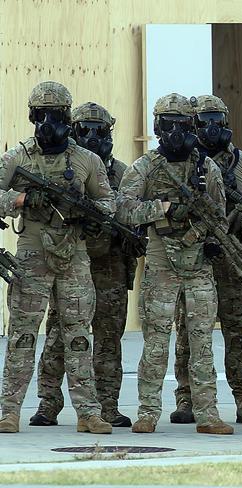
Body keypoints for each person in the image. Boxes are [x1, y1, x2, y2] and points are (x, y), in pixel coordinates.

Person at [0, 81, 115, 434]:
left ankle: (89, 412)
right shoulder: (17, 158)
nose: (48, 122)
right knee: (22, 335)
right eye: (41, 115)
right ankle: (8, 411)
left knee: (79, 336)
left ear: (68, 116)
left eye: (56, 115)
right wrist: (22, 201)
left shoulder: (87, 160)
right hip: (32, 254)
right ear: (33, 116)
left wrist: (84, 210)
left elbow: (109, 205)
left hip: (74, 255)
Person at [117, 93, 232, 435]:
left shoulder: (206, 168)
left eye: (182, 125)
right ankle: (148, 412)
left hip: (197, 264)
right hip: (161, 261)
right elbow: (123, 209)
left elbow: (220, 216)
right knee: (155, 342)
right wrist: (163, 208)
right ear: (157, 127)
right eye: (169, 126)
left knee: (201, 342)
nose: (176, 132)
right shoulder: (145, 167)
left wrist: (203, 234)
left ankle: (208, 413)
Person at [29, 102, 136, 428]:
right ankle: (48, 403)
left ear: (110, 134)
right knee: (59, 335)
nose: (91, 137)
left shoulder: (122, 173)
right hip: (71, 260)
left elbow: (131, 213)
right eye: (84, 130)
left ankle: (107, 405)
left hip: (109, 265)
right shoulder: (63, 166)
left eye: (99, 131)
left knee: (107, 338)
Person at [169, 95, 242, 426]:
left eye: (217, 120)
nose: (212, 128)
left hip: (232, 256)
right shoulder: (180, 164)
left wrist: (237, 224)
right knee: (188, 333)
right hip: (193, 258)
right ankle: (188, 399)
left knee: (238, 332)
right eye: (204, 121)